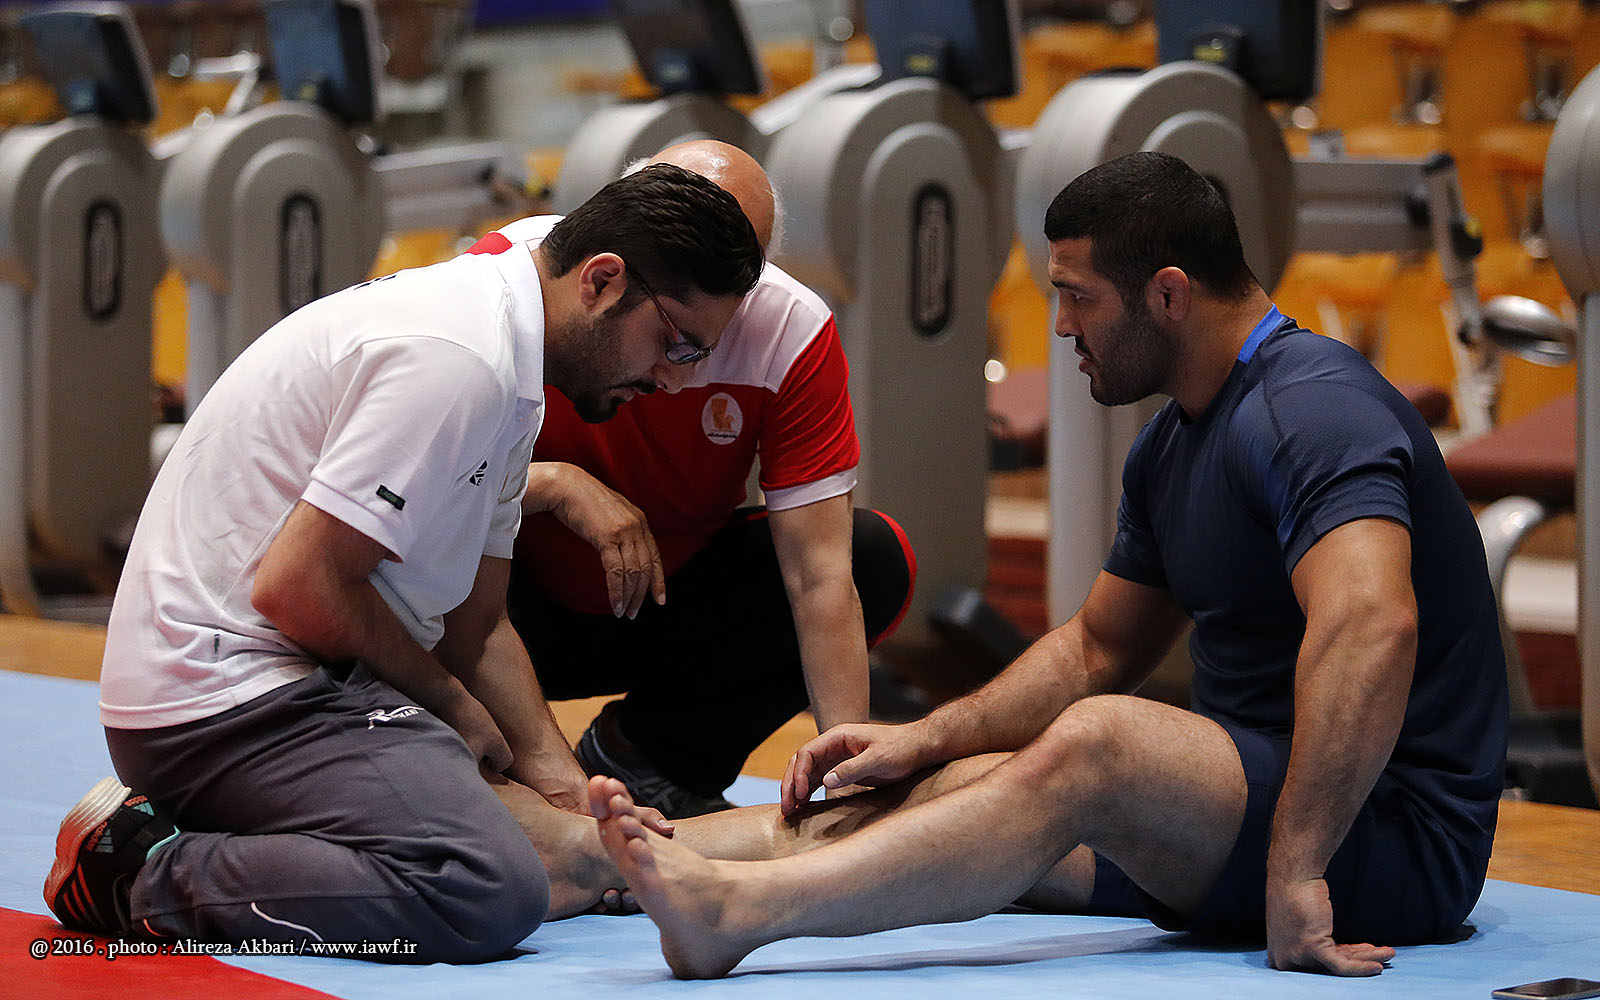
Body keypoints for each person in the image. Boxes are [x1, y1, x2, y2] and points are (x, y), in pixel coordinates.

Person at [584, 151, 1511, 979]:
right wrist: (926, 739)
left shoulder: (1313, 411)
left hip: (1385, 836)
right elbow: (1095, 648)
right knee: (946, 787)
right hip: (1244, 819)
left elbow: (1371, 622)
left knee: (1103, 745)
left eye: (1078, 296)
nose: (1061, 326)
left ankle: (740, 913)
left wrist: (1302, 869)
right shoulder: (1172, 445)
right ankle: (585, 862)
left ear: (1169, 294)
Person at [43, 164, 764, 962]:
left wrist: (566, 790)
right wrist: (452, 708)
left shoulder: (515, 361)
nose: (673, 377)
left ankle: (254, 826)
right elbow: (301, 588)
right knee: (487, 887)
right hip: (223, 701)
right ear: (601, 281)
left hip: (294, 677)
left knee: (562, 852)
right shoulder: (458, 356)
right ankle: (139, 872)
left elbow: (476, 623)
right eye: (675, 342)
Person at [491, 140, 916, 818]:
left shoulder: (789, 326)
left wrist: (848, 780)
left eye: (733, 265)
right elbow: (423, 494)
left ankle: (646, 759)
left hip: (662, 607)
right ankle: (479, 765)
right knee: (429, 555)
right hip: (507, 603)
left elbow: (821, 575)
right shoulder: (516, 278)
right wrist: (556, 485)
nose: (673, 374)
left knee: (871, 557)